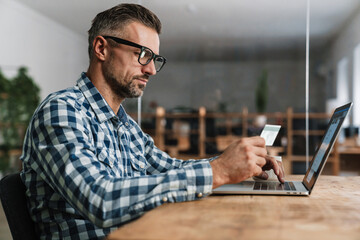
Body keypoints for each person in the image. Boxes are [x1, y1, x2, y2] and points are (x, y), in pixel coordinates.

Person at [20, 3, 284, 239]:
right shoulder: (61, 111)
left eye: (155, 58)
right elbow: (100, 199)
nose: (151, 69)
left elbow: (171, 169)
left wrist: (238, 163)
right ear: (102, 48)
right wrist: (218, 171)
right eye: (142, 54)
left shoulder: (125, 126)